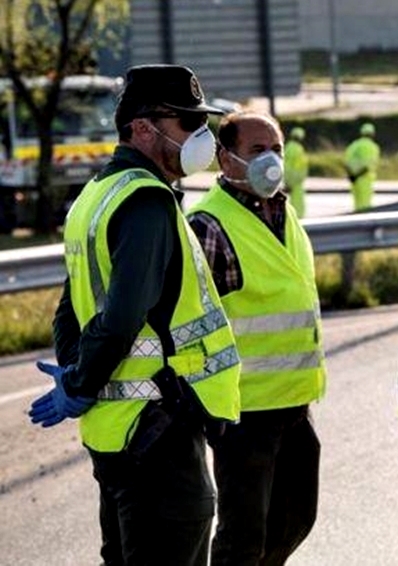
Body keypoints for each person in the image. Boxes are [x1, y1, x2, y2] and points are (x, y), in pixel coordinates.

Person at [30, 64, 241, 565]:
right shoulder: (146, 201)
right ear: (144, 127)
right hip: (159, 439)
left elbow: (70, 309)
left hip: (117, 436)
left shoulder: (95, 197)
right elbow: (122, 316)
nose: (201, 135)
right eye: (188, 123)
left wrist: (77, 379)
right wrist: (79, 383)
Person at [187, 112, 326, 566]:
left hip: (294, 403)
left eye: (276, 150)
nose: (270, 160)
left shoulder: (284, 213)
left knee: (296, 520)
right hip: (244, 413)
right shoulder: (210, 224)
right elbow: (191, 321)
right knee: (243, 536)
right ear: (226, 160)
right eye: (256, 150)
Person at [344, 122, 380, 211]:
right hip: (365, 179)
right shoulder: (372, 146)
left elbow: (346, 161)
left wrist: (352, 175)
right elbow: (369, 165)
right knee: (365, 206)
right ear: (372, 134)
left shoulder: (354, 145)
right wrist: (357, 175)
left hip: (354, 179)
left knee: (357, 205)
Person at [284, 126, 309, 217]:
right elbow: (300, 166)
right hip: (296, 180)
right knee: (298, 201)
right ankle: (298, 217)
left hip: (291, 179)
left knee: (293, 200)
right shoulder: (298, 149)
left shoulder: (287, 147)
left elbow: (285, 165)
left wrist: (286, 180)